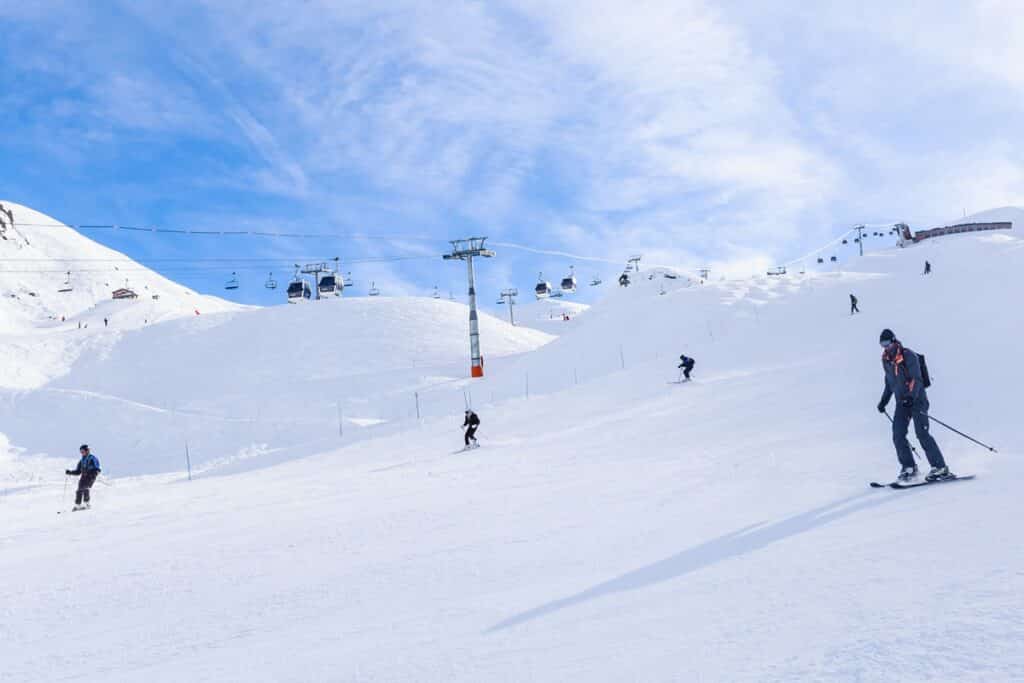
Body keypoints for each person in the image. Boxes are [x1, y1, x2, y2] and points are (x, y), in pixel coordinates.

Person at [876, 329, 951, 482]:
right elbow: (890, 383)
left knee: (921, 433)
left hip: (917, 400)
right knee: (898, 434)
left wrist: (911, 397)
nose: (885, 347)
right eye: (882, 345)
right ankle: (909, 467)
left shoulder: (908, 355)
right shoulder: (886, 360)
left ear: (894, 341)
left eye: (887, 343)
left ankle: (940, 467)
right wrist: (883, 401)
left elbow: (917, 379)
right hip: (901, 403)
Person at [65, 444, 102, 510]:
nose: (82, 453)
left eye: (83, 451)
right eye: (81, 452)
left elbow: (97, 469)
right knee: (79, 490)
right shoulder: (81, 461)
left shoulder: (92, 458)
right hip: (83, 477)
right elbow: (78, 472)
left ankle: (86, 503)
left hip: (90, 476)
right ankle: (78, 505)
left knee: (86, 488)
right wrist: (70, 472)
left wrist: (93, 474)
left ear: (87, 451)